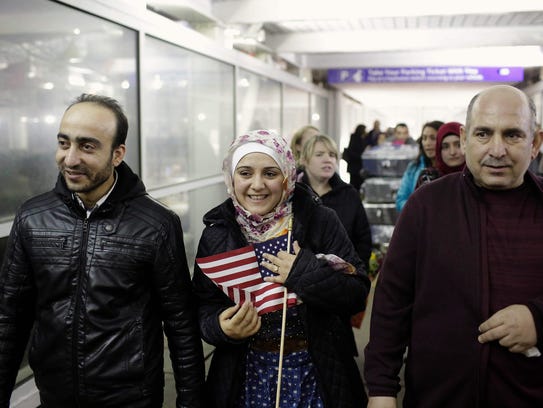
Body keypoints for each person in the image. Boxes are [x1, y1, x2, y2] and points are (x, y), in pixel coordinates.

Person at [0, 94, 204, 408]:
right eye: (64, 143)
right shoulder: (32, 218)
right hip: (54, 397)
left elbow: (180, 325)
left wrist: (190, 403)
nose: (69, 159)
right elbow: (9, 320)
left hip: (130, 399)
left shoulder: (156, 225)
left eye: (87, 146)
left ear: (117, 154)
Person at [364, 85, 543, 408]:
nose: (497, 149)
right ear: (464, 139)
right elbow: (392, 303)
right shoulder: (426, 206)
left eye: (513, 135)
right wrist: (381, 389)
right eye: (484, 134)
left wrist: (539, 319)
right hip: (437, 397)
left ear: (536, 143)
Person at [192, 129, 370, 408]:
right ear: (231, 178)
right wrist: (220, 327)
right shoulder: (217, 232)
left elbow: (357, 293)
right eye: (246, 173)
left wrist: (304, 272)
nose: (257, 185)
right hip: (245, 374)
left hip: (316, 371)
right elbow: (202, 307)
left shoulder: (320, 219)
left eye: (271, 174)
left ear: (287, 175)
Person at [299, 133, 372, 269]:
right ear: (304, 160)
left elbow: (363, 239)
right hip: (300, 278)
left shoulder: (349, 194)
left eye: (332, 155)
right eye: (319, 154)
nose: (328, 159)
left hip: (342, 279)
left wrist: (357, 273)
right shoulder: (294, 194)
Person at [395, 120, 444, 211]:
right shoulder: (414, 168)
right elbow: (400, 200)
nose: (427, 143)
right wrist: (418, 211)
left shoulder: (450, 169)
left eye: (433, 138)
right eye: (424, 138)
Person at [415, 121, 465, 188]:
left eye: (458, 145)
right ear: (439, 150)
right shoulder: (428, 177)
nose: (452, 152)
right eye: (445, 147)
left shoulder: (479, 177)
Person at [344, 124, 371, 191]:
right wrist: (362, 155)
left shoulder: (362, 138)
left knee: (358, 184)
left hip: (358, 166)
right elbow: (352, 151)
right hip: (354, 165)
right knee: (354, 183)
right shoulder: (355, 138)